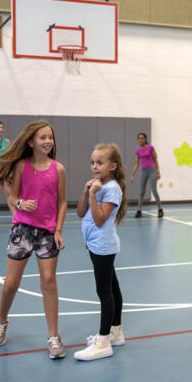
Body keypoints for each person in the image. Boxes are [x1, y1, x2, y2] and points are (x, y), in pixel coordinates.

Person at [0, 120, 67, 360]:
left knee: (49, 281)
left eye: (50, 137)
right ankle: (1, 321)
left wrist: (59, 230)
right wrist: (20, 203)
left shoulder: (58, 169)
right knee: (11, 283)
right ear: (31, 142)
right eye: (42, 137)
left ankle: (53, 336)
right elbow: (12, 197)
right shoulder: (21, 165)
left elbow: (62, 202)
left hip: (47, 233)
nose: (47, 141)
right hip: (22, 229)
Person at [75, 143, 127, 361]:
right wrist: (86, 191)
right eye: (92, 162)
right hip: (95, 244)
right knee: (112, 287)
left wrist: (94, 195)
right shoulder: (97, 185)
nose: (95, 166)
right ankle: (116, 332)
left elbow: (99, 219)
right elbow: (80, 212)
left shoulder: (112, 188)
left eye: (100, 163)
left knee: (104, 293)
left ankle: (104, 341)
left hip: (103, 246)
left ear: (112, 166)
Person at [130, 133, 163, 218]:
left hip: (152, 171)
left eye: (142, 138)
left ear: (145, 139)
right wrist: (133, 175)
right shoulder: (137, 151)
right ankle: (139, 210)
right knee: (142, 191)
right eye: (139, 138)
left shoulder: (150, 148)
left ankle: (160, 209)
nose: (140, 140)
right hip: (144, 171)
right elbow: (137, 164)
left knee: (154, 190)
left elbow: (156, 160)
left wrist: (158, 171)